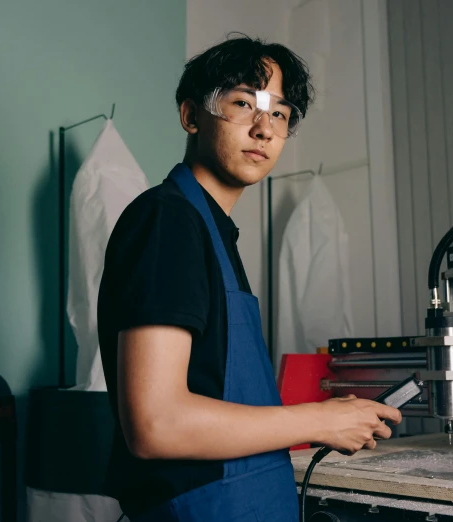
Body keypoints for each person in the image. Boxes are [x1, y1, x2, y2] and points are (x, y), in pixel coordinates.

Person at [97, 34, 402, 522]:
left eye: (279, 113)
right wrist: (320, 420)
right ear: (192, 116)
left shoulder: (213, 233)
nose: (263, 129)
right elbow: (155, 424)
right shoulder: (167, 222)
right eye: (243, 103)